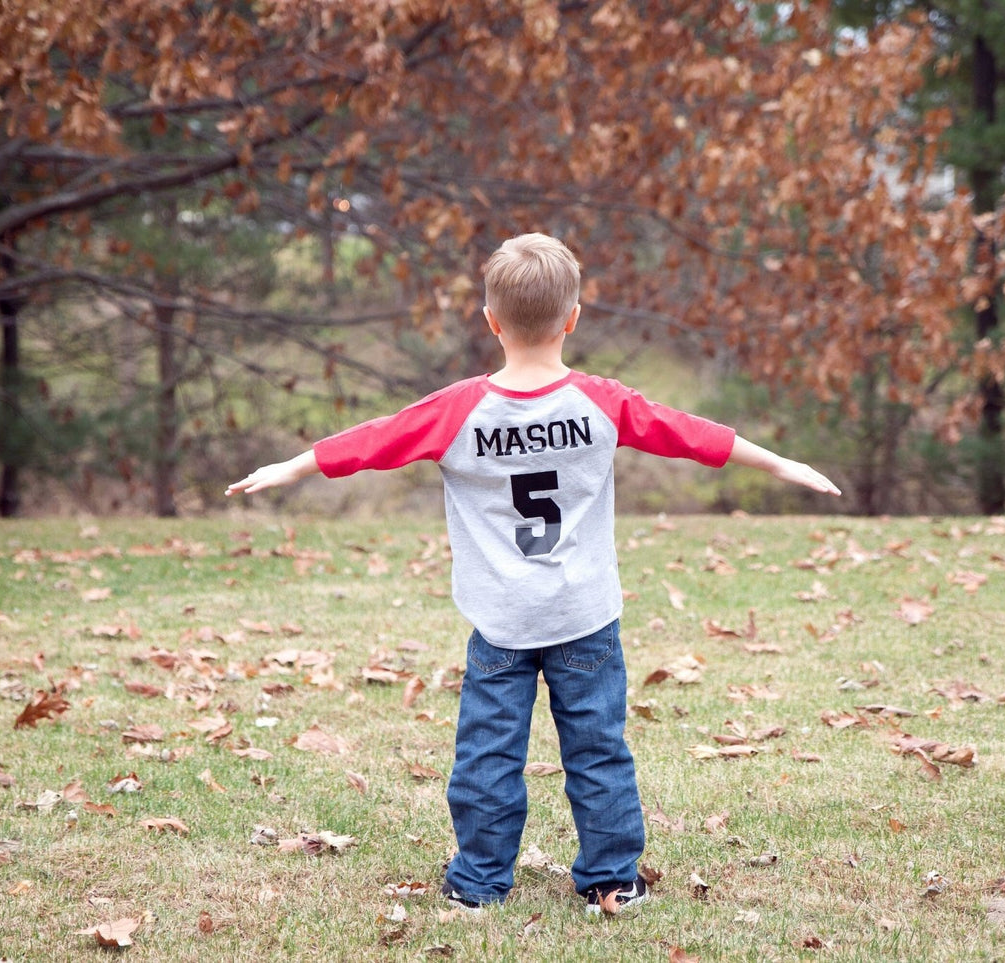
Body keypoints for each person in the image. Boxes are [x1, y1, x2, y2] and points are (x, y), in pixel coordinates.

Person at [226, 232, 840, 914]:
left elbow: (372, 439)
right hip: (585, 615)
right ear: (572, 318)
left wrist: (290, 466)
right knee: (598, 749)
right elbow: (691, 432)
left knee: (488, 756)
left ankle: (478, 883)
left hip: (502, 621)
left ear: (491, 320)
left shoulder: (456, 411)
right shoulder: (601, 402)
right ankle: (612, 879)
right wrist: (781, 464)